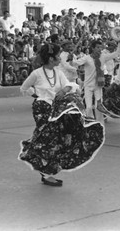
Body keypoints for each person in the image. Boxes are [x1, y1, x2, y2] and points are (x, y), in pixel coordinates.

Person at [19, 43, 104, 187]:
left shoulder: (58, 72)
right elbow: (23, 88)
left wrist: (64, 90)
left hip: (56, 109)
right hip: (42, 109)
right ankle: (46, 174)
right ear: (51, 58)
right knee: (47, 139)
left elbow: (72, 85)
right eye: (58, 56)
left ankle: (46, 171)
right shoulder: (37, 73)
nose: (60, 58)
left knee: (56, 139)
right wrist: (37, 96)